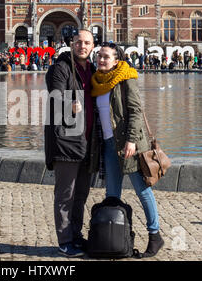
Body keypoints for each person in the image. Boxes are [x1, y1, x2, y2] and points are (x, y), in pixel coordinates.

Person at [91, 42, 164, 258]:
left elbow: (135, 110)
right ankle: (113, 238)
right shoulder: (97, 81)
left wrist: (131, 141)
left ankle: (154, 235)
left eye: (106, 56)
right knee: (112, 195)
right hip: (108, 145)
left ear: (116, 59)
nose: (101, 60)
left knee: (142, 191)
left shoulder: (126, 78)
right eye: (99, 55)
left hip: (127, 146)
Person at [45, 29, 99, 258]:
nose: (82, 46)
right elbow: (55, 95)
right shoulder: (61, 67)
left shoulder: (93, 70)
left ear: (92, 45)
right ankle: (65, 241)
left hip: (87, 142)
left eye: (87, 43)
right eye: (78, 42)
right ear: (71, 44)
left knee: (81, 195)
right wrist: (69, 104)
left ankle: (76, 236)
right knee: (65, 195)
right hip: (66, 141)